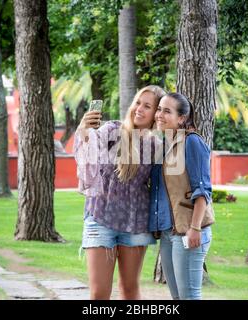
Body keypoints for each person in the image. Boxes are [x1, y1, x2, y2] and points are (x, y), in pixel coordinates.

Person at [74, 85, 166, 300]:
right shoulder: (111, 131)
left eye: (147, 106)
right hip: (101, 218)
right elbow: (88, 159)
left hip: (136, 224)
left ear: (156, 113)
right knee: (99, 294)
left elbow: (162, 187)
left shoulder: (157, 146)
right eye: (137, 103)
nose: (139, 109)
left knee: (130, 290)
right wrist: (84, 131)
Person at [148, 92, 214, 300]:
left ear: (182, 118)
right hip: (169, 232)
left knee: (189, 296)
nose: (159, 114)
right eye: (159, 109)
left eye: (167, 111)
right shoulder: (165, 146)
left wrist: (195, 228)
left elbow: (202, 189)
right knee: (178, 298)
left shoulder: (192, 142)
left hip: (188, 231)